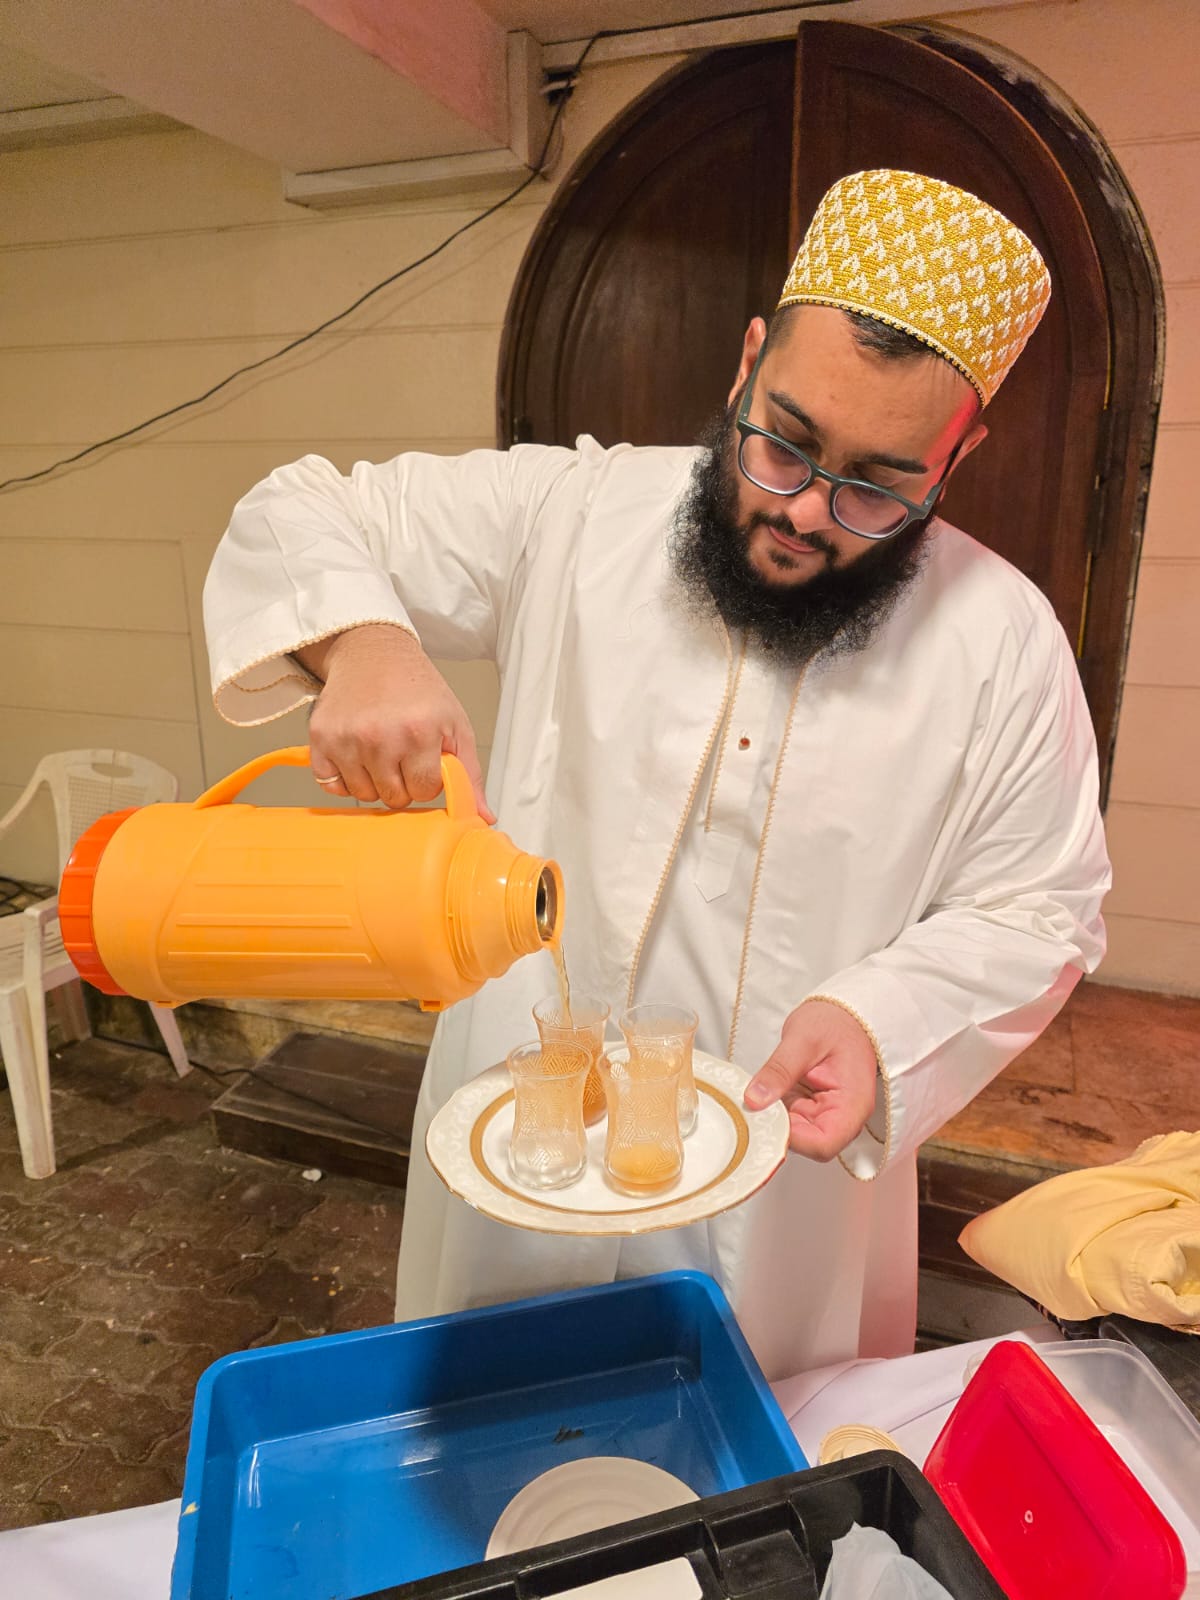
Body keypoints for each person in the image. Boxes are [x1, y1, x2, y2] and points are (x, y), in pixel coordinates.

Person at [204, 170, 1110, 1379]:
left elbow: (1042, 904)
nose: (806, 511)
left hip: (780, 1218)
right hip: (519, 1157)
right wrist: (364, 642)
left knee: (753, 1476)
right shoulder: (575, 513)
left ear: (960, 455)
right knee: (499, 1460)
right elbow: (303, 510)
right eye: (786, 442)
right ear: (746, 364)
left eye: (878, 484)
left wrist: (883, 1020)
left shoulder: (1002, 642)